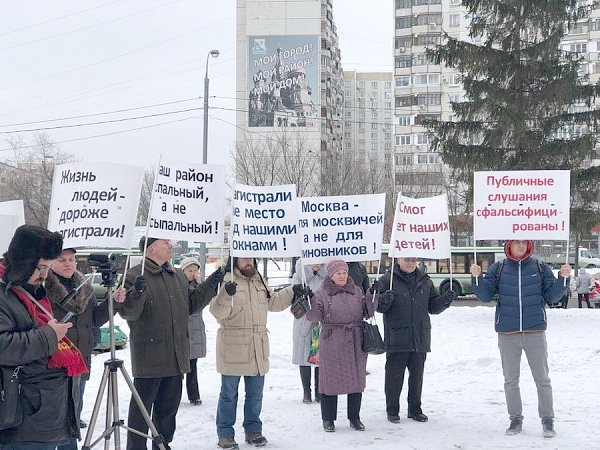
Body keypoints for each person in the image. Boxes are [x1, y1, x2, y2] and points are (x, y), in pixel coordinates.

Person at [119, 237, 224, 450]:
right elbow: (128, 312)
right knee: (141, 411)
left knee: (168, 411)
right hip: (149, 358)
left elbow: (192, 304)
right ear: (151, 248)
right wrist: (137, 292)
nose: (170, 245)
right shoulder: (133, 276)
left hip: (176, 356)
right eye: (165, 242)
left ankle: (162, 444)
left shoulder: (177, 275)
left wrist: (213, 281)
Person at [470, 239, 571, 438]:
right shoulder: (498, 268)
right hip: (508, 333)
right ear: (509, 245)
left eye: (524, 243)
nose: (521, 246)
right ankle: (515, 419)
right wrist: (477, 278)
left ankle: (547, 420)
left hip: (535, 332)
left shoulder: (540, 267)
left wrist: (562, 279)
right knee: (511, 380)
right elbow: (484, 296)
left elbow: (553, 296)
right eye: (517, 242)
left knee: (542, 379)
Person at [0, 225, 87, 449]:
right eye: (40, 267)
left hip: (39, 412)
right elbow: (3, 345)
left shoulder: (29, 288)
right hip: (20, 416)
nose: (44, 274)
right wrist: (50, 335)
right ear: (24, 261)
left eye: (48, 267)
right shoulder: (4, 294)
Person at [209, 256, 301, 450]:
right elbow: (217, 312)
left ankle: (253, 430)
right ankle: (225, 433)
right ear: (234, 261)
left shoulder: (259, 278)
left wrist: (293, 290)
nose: (248, 261)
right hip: (233, 347)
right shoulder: (225, 280)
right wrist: (226, 294)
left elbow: (273, 302)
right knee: (228, 395)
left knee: (255, 394)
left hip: (258, 347)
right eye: (243, 258)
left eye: (250, 258)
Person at [45, 248, 126, 450]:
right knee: (52, 419)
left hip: (80, 362)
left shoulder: (84, 288)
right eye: (61, 259)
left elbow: (95, 320)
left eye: (71, 259)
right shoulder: (43, 288)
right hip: (54, 364)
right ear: (51, 263)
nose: (68, 263)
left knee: (74, 415)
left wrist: (113, 302)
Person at [375, 257, 455, 425]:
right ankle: (392, 410)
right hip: (397, 335)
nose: (410, 263)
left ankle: (414, 409)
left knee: (417, 377)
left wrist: (444, 301)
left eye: (413, 260)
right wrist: (384, 300)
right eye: (407, 259)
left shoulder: (425, 280)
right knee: (394, 376)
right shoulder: (387, 280)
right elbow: (378, 306)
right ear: (398, 259)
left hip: (420, 335)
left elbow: (432, 307)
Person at [305, 259, 376, 433]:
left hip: (355, 339)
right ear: (330, 275)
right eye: (338, 273)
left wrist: (373, 296)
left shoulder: (356, 290)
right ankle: (328, 419)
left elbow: (368, 312)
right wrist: (308, 301)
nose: (342, 276)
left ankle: (355, 417)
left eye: (344, 272)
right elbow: (315, 316)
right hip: (332, 340)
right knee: (331, 380)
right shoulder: (322, 293)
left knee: (357, 379)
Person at [291, 260, 325, 404]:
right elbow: (292, 294)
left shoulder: (326, 276)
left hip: (322, 319)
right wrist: (310, 273)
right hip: (304, 319)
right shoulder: (298, 276)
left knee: (320, 355)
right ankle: (306, 390)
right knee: (303, 355)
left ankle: (319, 390)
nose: (316, 263)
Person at [178, 256, 208, 406]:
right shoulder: (177, 285)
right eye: (190, 270)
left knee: (192, 366)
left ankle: (194, 395)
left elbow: (208, 297)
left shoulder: (199, 286)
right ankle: (174, 395)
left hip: (195, 331)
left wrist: (201, 283)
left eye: (195, 271)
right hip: (182, 331)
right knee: (178, 368)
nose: (193, 273)